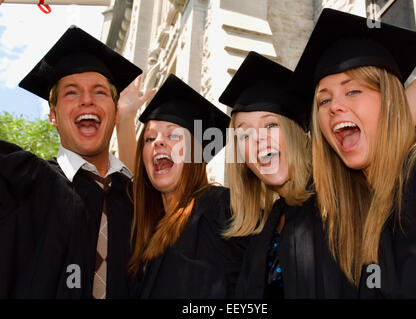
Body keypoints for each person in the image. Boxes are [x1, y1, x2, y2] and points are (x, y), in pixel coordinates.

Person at [290, 8, 416, 298]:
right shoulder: (348, 206)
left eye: (352, 91)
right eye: (323, 100)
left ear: (390, 101)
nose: (334, 106)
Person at [0, 25, 142, 298]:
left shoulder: (136, 199)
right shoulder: (25, 183)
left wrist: (127, 125)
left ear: (114, 114)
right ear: (53, 116)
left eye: (100, 92)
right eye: (71, 93)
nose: (87, 100)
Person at [218, 51, 356, 298]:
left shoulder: (342, 192)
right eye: (244, 134)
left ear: (295, 133)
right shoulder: (264, 230)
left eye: (270, 125)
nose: (258, 138)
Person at [129, 74, 247, 298]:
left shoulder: (222, 208)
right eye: (149, 138)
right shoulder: (145, 231)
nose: (158, 142)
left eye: (173, 134)